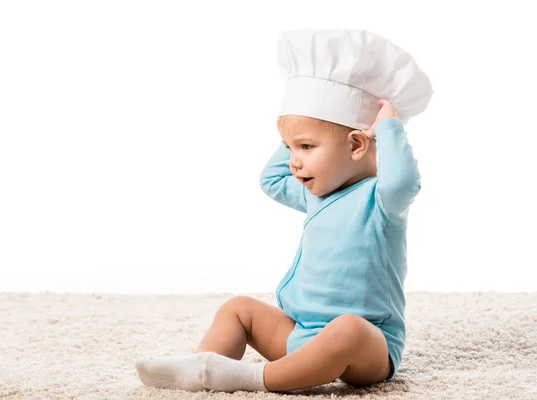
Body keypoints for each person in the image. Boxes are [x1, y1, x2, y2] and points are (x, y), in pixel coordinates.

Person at [135, 28, 433, 393]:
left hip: (367, 348)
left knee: (349, 327)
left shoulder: (381, 199)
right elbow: (271, 179)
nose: (294, 162)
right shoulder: (315, 194)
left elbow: (403, 181)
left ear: (357, 144)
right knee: (238, 308)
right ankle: (202, 367)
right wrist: (298, 128)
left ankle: (248, 378)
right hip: (301, 333)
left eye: (306, 147)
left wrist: (388, 127)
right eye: (290, 149)